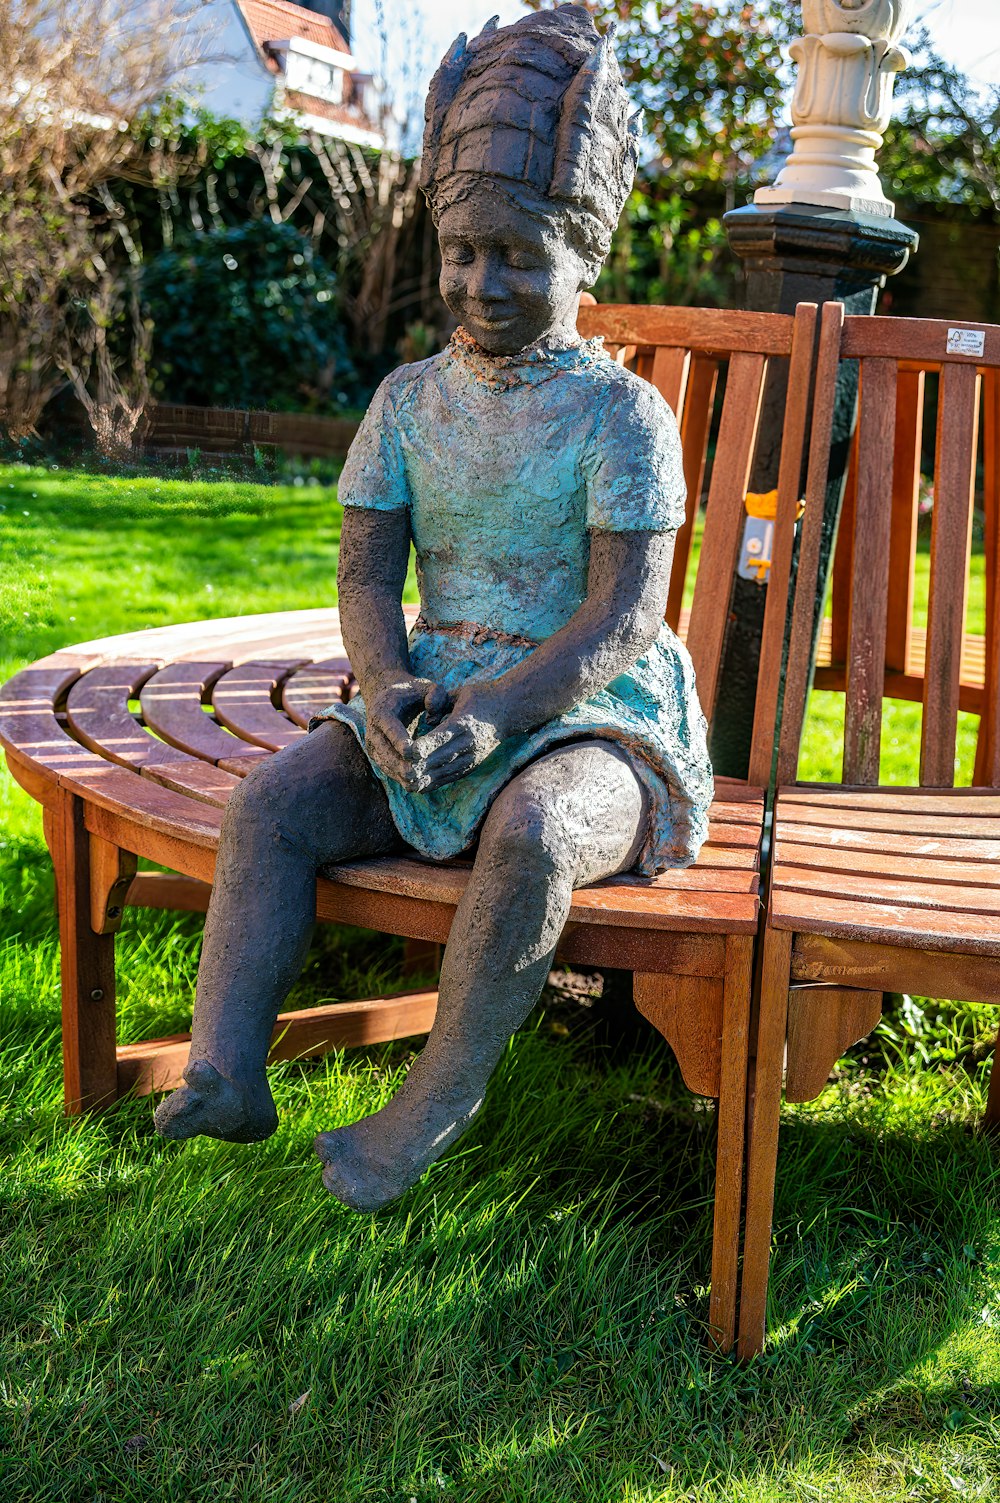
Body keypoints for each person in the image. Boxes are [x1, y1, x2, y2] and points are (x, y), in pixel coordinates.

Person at [154, 4, 713, 1210]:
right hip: (433, 689)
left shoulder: (622, 419)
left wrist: (501, 713)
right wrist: (382, 684)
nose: (482, 280)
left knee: (534, 835)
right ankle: (225, 1069)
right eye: (462, 251)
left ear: (584, 255)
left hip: (590, 716)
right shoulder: (408, 402)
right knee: (277, 800)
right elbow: (365, 575)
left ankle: (429, 1104)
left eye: (517, 254)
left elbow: (623, 617)